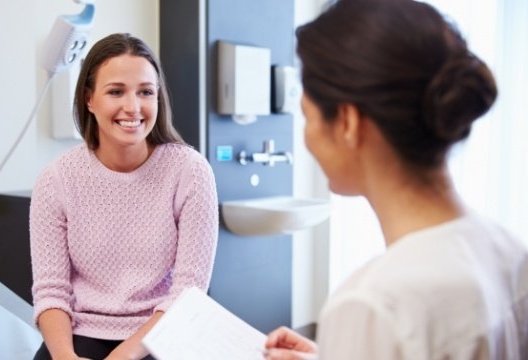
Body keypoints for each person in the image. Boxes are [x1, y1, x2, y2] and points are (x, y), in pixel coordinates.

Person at [264, 0, 528, 359]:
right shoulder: (507, 250)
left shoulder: (373, 303)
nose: (306, 138)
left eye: (307, 117)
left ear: (347, 123)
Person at [29, 33, 219, 360]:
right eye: (116, 91)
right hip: (80, 332)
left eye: (145, 92)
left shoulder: (190, 171)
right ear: (89, 99)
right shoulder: (56, 179)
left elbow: (188, 293)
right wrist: (64, 357)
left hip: (162, 330)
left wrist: (122, 357)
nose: (132, 107)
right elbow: (51, 292)